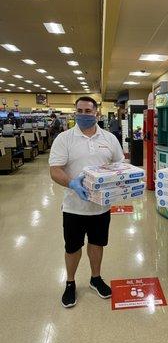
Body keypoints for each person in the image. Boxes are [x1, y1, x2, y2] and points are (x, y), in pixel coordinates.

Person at [49, 96, 124, 308]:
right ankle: (70, 283)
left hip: (101, 206)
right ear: (75, 112)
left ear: (96, 113)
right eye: (79, 111)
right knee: (72, 247)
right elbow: (55, 170)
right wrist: (72, 183)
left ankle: (95, 278)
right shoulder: (64, 139)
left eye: (88, 111)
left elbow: (120, 165)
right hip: (74, 206)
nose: (83, 115)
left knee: (97, 243)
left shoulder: (109, 138)